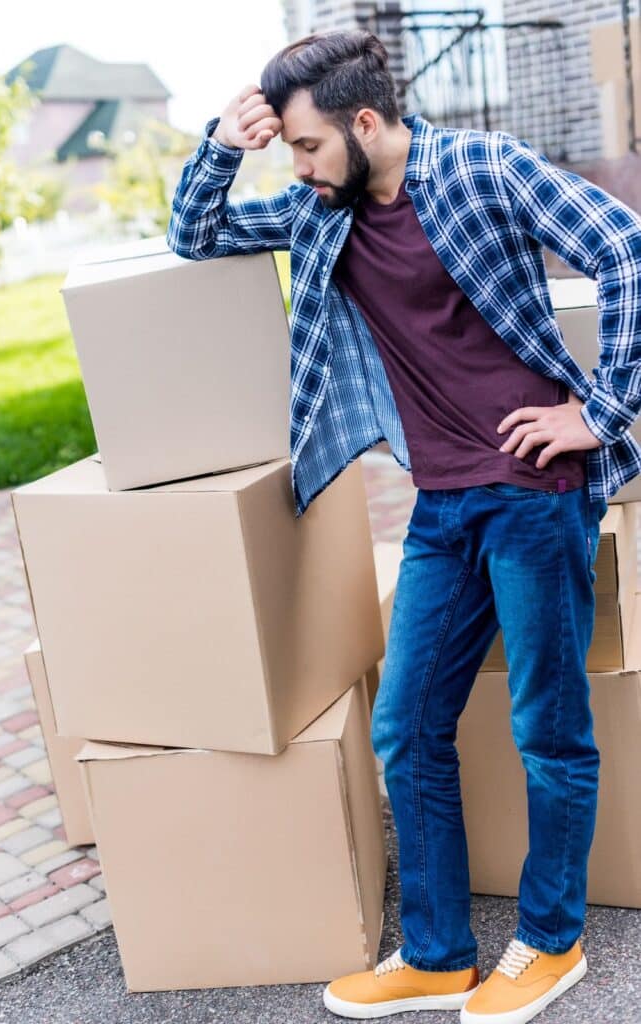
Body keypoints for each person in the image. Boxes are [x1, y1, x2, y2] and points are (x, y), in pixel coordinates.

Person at [166, 29, 641, 1024]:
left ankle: (552, 945)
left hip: (533, 494)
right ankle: (434, 955)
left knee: (546, 729)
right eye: (290, 151)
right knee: (408, 723)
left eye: (304, 146)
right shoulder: (321, 212)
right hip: (440, 505)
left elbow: (625, 247)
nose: (295, 166)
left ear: (366, 122)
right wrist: (223, 143)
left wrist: (596, 412)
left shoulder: (484, 168)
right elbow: (197, 236)